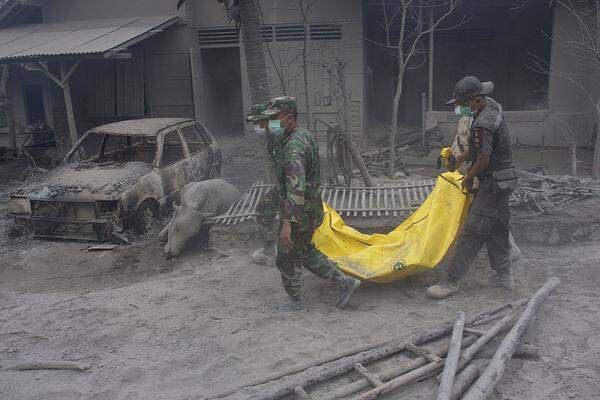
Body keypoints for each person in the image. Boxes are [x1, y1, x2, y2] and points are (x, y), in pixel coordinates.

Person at [260, 96, 361, 311]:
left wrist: (287, 223)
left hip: (298, 212)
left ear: (288, 118)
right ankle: (344, 281)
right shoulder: (302, 136)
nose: (271, 124)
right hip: (310, 208)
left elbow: (295, 188)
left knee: (286, 256)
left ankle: (296, 302)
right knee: (304, 251)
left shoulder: (294, 147)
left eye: (274, 119)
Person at [427, 76, 519, 299]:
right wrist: (461, 157)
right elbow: (481, 151)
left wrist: (468, 176)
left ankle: (451, 281)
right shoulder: (492, 107)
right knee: (497, 228)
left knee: (473, 231)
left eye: (464, 105)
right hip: (506, 178)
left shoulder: (482, 125)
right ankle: (504, 276)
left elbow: (484, 159)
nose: (462, 109)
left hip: (493, 182)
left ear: (476, 100)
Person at [246, 102, 280, 266]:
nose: (255, 126)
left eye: (257, 121)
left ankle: (271, 253)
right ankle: (272, 250)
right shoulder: (272, 132)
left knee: (263, 211)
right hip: (286, 184)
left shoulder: (279, 132)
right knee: (264, 210)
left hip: (293, 185)